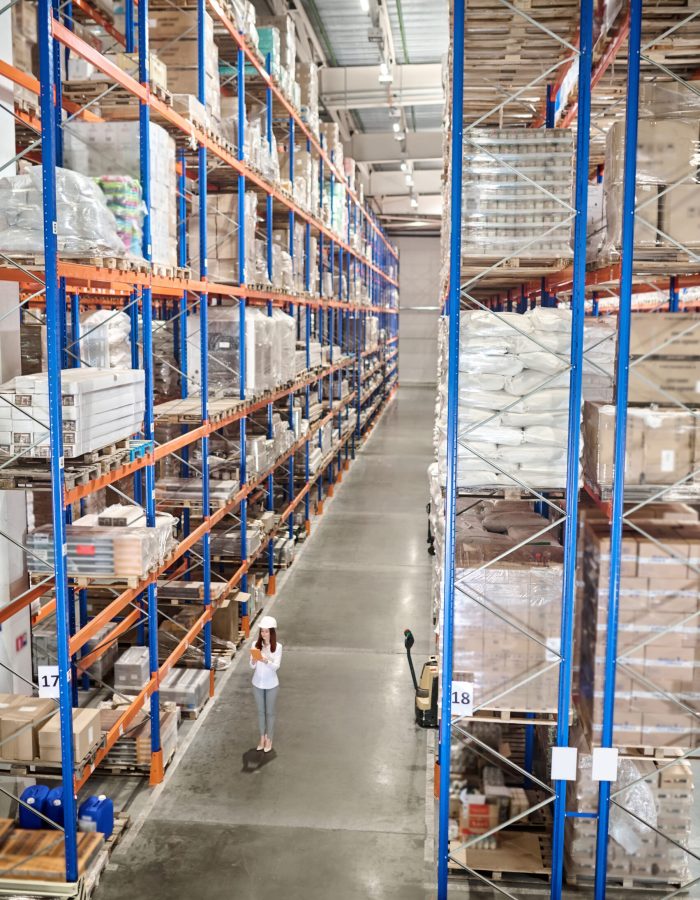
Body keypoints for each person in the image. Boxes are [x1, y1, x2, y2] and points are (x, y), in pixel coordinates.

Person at [249, 615, 282, 752]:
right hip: (257, 684)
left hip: (271, 685)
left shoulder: (277, 647)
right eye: (262, 631)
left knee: (270, 713)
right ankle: (262, 737)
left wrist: (266, 660)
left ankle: (269, 739)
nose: (263, 634)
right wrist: (254, 660)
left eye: (266, 631)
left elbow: (276, 667)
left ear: (272, 632)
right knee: (261, 712)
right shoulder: (255, 645)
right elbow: (251, 666)